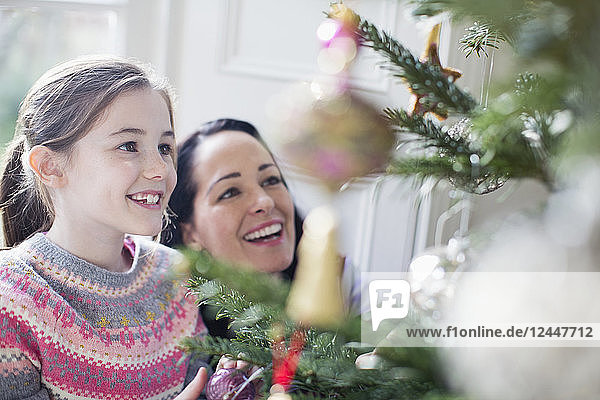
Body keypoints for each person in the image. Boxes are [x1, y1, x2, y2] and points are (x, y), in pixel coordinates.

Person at [0, 55, 208, 399]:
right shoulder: (11, 302)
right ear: (50, 167)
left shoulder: (175, 273)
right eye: (129, 146)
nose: (160, 169)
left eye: (164, 147)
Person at [162, 119, 360, 337]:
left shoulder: (345, 282)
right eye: (230, 192)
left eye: (271, 180)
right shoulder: (172, 332)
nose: (265, 202)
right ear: (191, 234)